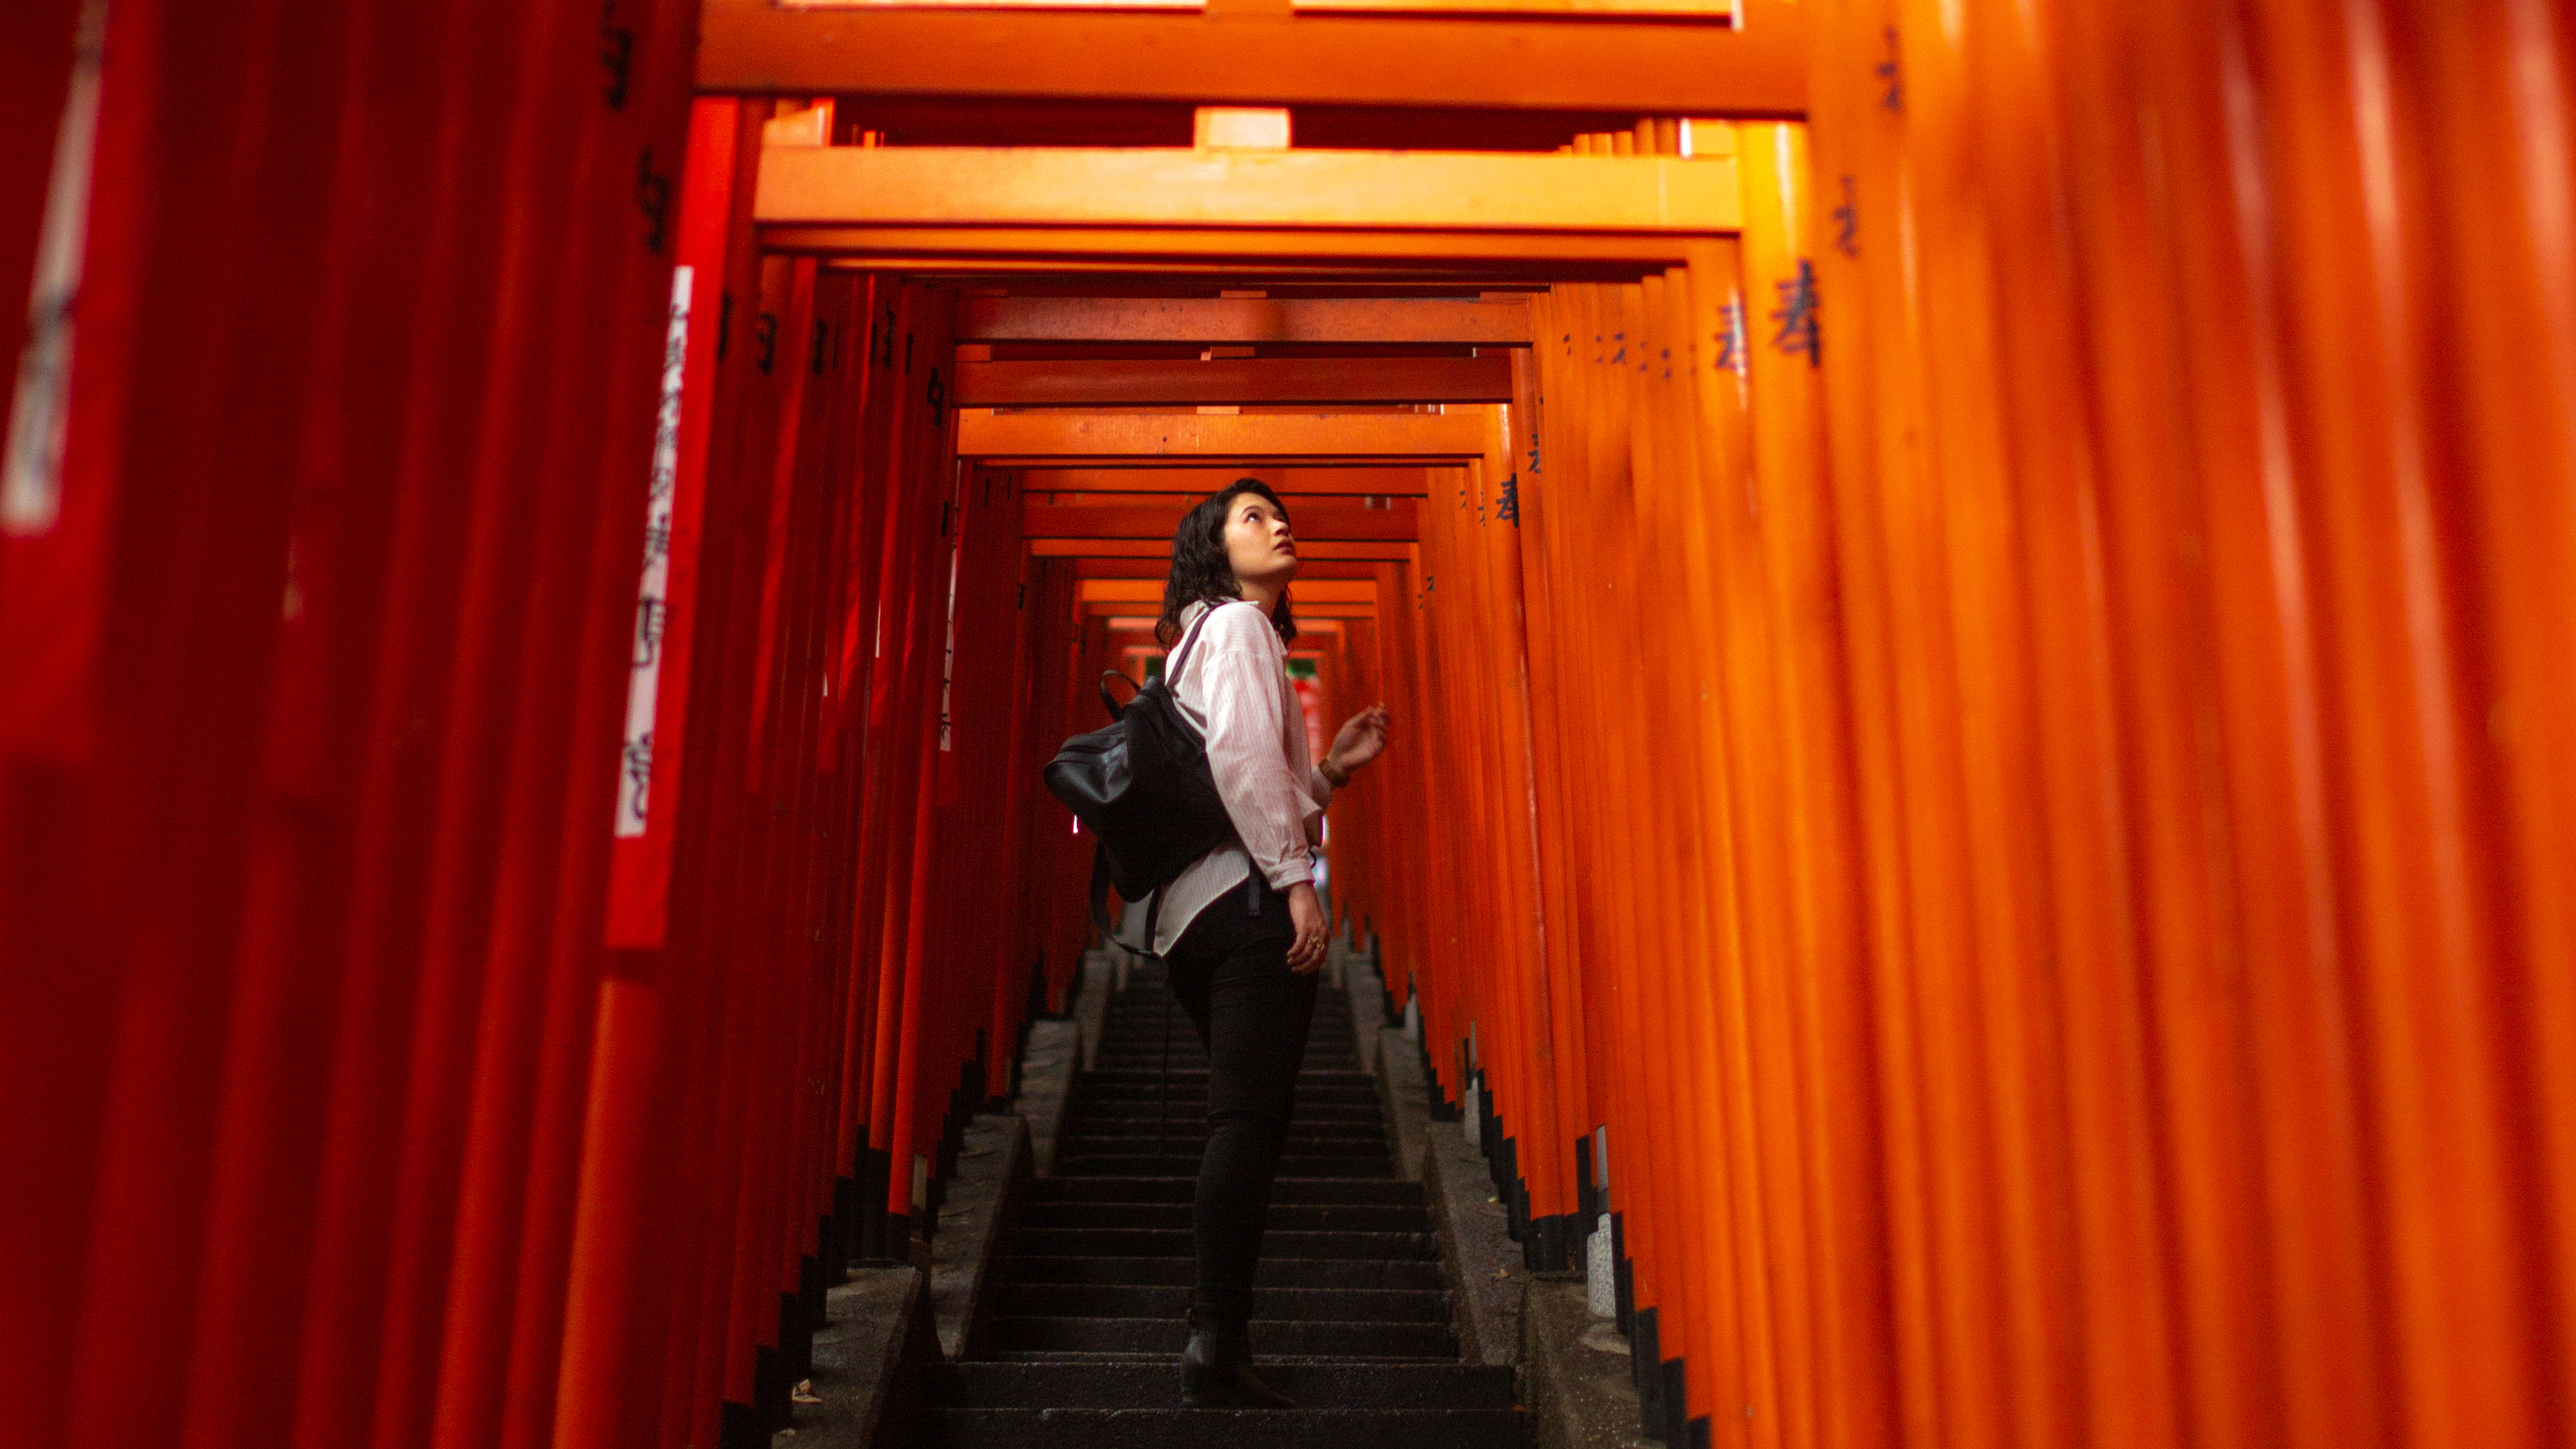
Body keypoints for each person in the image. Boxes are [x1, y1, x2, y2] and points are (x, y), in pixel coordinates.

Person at [1136, 477, 1392, 1409]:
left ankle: (1219, 1331)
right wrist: (1299, 888)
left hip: (1194, 914)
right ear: (1213, 545)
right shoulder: (1238, 627)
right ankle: (1215, 1339)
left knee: (1250, 1120)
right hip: (1243, 906)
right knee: (1246, 1123)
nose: (1278, 524)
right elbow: (1244, 767)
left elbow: (1249, 776)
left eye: (1279, 514)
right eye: (1252, 517)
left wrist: (1326, 773)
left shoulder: (1205, 642)